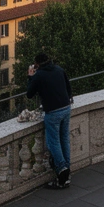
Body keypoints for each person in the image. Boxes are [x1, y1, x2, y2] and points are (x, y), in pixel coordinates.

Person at [27, 52, 74, 188]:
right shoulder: (59, 69)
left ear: (37, 64)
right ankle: (67, 171)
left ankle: (62, 170)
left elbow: (29, 94)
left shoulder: (39, 75)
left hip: (53, 112)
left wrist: (30, 77)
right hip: (66, 108)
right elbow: (68, 88)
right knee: (64, 139)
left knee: (53, 142)